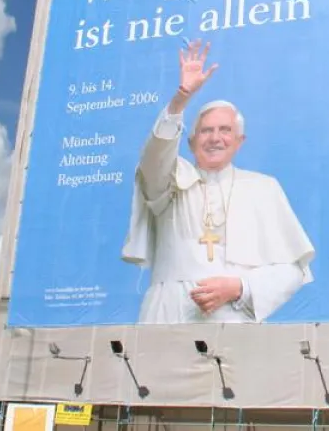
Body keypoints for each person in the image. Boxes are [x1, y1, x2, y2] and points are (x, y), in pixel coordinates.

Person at [121, 40, 315, 323]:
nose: (215, 138)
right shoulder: (169, 180)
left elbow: (294, 269)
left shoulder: (263, 187)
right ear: (189, 141)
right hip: (168, 311)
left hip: (230, 315)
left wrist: (240, 287)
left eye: (225, 130)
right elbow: (154, 157)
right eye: (205, 131)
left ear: (239, 141)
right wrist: (181, 99)